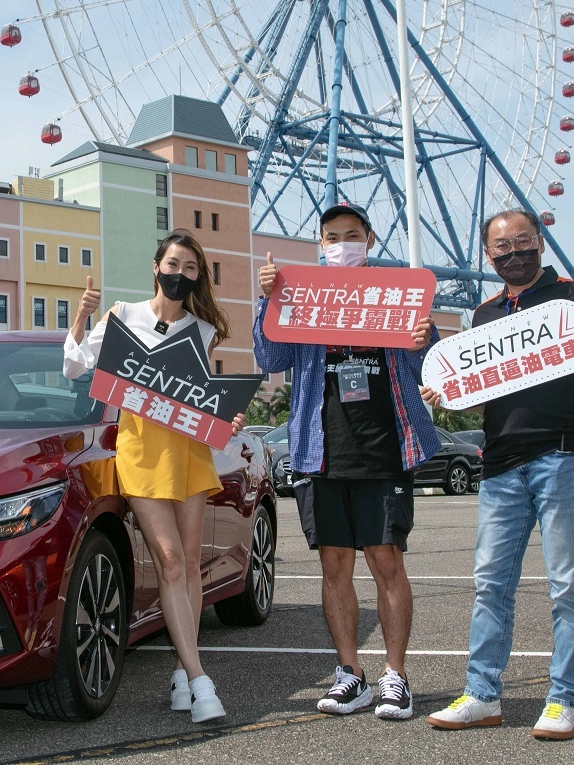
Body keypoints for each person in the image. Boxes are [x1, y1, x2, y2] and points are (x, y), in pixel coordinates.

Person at [425, 211, 574, 740]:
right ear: (488, 255)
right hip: (500, 463)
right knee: (489, 584)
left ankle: (564, 700)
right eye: (502, 246)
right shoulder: (485, 313)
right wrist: (447, 394)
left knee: (567, 585)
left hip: (561, 456)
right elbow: (481, 396)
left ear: (541, 243)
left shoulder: (573, 295)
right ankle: (482, 695)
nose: (514, 252)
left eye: (523, 241)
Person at [253, 203, 440, 721]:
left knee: (386, 561)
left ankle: (395, 675)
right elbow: (270, 359)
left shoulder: (397, 293)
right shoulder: (302, 295)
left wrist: (425, 338)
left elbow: (429, 365)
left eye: (352, 235)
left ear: (370, 239)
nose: (342, 244)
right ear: (320, 244)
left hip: (384, 446)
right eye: (332, 237)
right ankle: (350, 674)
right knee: (334, 566)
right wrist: (268, 300)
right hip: (320, 450)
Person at [63, 230, 247, 724]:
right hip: (140, 450)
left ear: (197, 277)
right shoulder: (123, 315)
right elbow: (74, 367)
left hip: (188, 451)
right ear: (155, 266)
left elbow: (200, 398)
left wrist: (226, 420)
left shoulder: (202, 330)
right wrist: (82, 315)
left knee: (188, 564)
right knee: (168, 561)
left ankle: (183, 673)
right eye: (173, 264)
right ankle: (200, 679)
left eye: (190, 268)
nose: (180, 274)